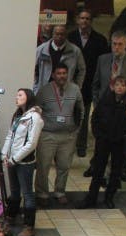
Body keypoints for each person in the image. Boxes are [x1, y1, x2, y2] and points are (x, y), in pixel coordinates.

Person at [86, 32, 126, 181]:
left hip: (122, 108)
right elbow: (96, 83)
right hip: (104, 107)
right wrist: (97, 103)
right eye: (114, 44)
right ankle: (96, 166)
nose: (116, 47)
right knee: (101, 140)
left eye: (120, 44)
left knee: (120, 141)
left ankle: (121, 168)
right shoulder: (103, 59)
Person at [81, 76, 126, 209]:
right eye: (117, 84)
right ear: (112, 87)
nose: (120, 87)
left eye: (123, 85)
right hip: (104, 141)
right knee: (98, 170)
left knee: (116, 172)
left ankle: (109, 197)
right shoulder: (105, 101)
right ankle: (91, 198)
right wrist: (98, 135)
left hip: (120, 142)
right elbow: (95, 118)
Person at [35, 63, 83, 209]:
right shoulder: (44, 91)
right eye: (59, 73)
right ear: (53, 75)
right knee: (43, 166)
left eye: (64, 73)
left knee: (64, 165)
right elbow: (36, 111)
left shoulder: (75, 89)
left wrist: (76, 129)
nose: (62, 76)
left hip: (68, 136)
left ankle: (60, 191)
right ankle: (42, 193)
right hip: (48, 135)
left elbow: (81, 110)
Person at [0, 88, 43, 236]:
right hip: (12, 160)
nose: (16, 97)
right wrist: (4, 154)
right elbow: (10, 136)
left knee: (27, 193)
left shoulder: (35, 117)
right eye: (16, 94)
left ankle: (29, 226)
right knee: (14, 190)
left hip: (25, 162)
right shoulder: (18, 115)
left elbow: (31, 143)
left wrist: (15, 158)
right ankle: (11, 216)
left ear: (28, 97)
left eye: (20, 95)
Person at [68, 8, 110, 158]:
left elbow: (104, 63)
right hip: (72, 83)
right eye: (82, 18)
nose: (84, 21)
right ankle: (69, 145)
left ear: (91, 21)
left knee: (84, 116)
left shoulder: (100, 40)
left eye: (87, 18)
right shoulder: (70, 37)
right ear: (77, 20)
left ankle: (81, 146)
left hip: (91, 83)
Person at [34, 23, 85, 93]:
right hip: (45, 90)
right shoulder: (41, 49)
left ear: (66, 35)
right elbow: (34, 69)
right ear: (52, 34)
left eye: (62, 34)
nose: (59, 36)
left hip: (66, 91)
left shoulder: (75, 51)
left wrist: (77, 87)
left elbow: (82, 70)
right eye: (57, 34)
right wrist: (35, 86)